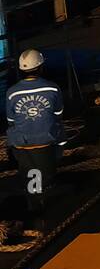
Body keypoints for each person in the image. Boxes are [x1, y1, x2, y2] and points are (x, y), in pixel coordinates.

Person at [5, 49, 65, 226]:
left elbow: (10, 120)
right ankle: (39, 198)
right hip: (45, 140)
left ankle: (34, 201)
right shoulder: (52, 87)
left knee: (30, 172)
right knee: (46, 172)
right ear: (40, 67)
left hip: (21, 142)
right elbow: (58, 113)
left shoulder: (12, 92)